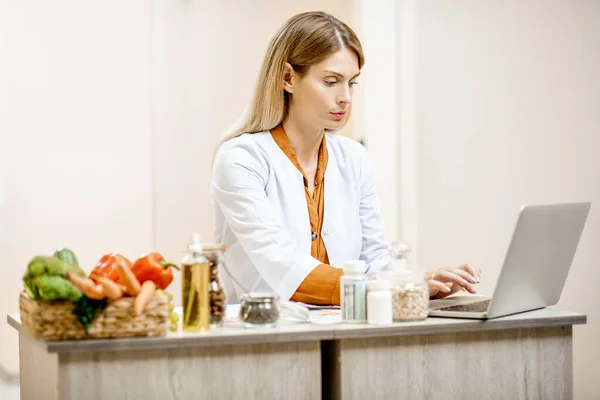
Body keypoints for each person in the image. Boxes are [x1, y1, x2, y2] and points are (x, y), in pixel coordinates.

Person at [211, 11, 481, 305]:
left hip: (345, 327)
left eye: (351, 83)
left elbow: (374, 261)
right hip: (267, 336)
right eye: (331, 81)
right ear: (288, 78)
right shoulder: (241, 159)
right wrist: (395, 289)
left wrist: (420, 282)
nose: (345, 98)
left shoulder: (354, 157)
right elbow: (283, 267)